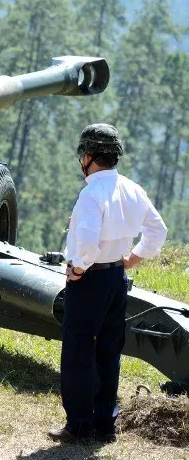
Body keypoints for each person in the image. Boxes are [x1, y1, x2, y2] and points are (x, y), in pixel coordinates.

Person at [48, 123, 167, 443]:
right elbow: (158, 231)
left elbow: (85, 240)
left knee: (78, 350)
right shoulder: (132, 189)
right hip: (117, 278)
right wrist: (134, 258)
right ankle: (104, 425)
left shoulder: (91, 193)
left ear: (87, 156)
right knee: (109, 352)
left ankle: (77, 425)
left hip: (90, 280)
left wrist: (77, 268)